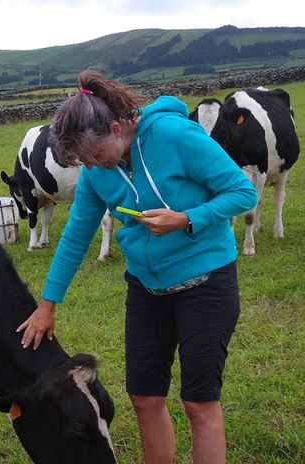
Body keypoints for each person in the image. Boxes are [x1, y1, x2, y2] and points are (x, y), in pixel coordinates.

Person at [17, 70, 257, 464]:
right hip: (146, 289)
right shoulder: (98, 172)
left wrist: (185, 218)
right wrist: (47, 304)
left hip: (206, 283)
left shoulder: (176, 136)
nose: (92, 167)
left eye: (95, 155)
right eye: (83, 161)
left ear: (115, 128)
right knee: (144, 398)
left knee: (199, 403)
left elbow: (242, 191)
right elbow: (77, 235)